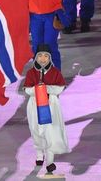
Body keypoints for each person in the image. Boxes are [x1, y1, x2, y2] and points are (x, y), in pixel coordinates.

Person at [23, 46, 69, 177]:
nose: (43, 59)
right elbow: (27, 89)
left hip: (51, 106)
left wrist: (47, 88)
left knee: (51, 132)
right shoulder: (31, 73)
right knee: (36, 130)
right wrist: (37, 90)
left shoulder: (55, 72)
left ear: (50, 58)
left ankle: (50, 161)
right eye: (40, 56)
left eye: (46, 56)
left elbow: (60, 88)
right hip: (34, 106)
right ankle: (39, 152)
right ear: (36, 57)